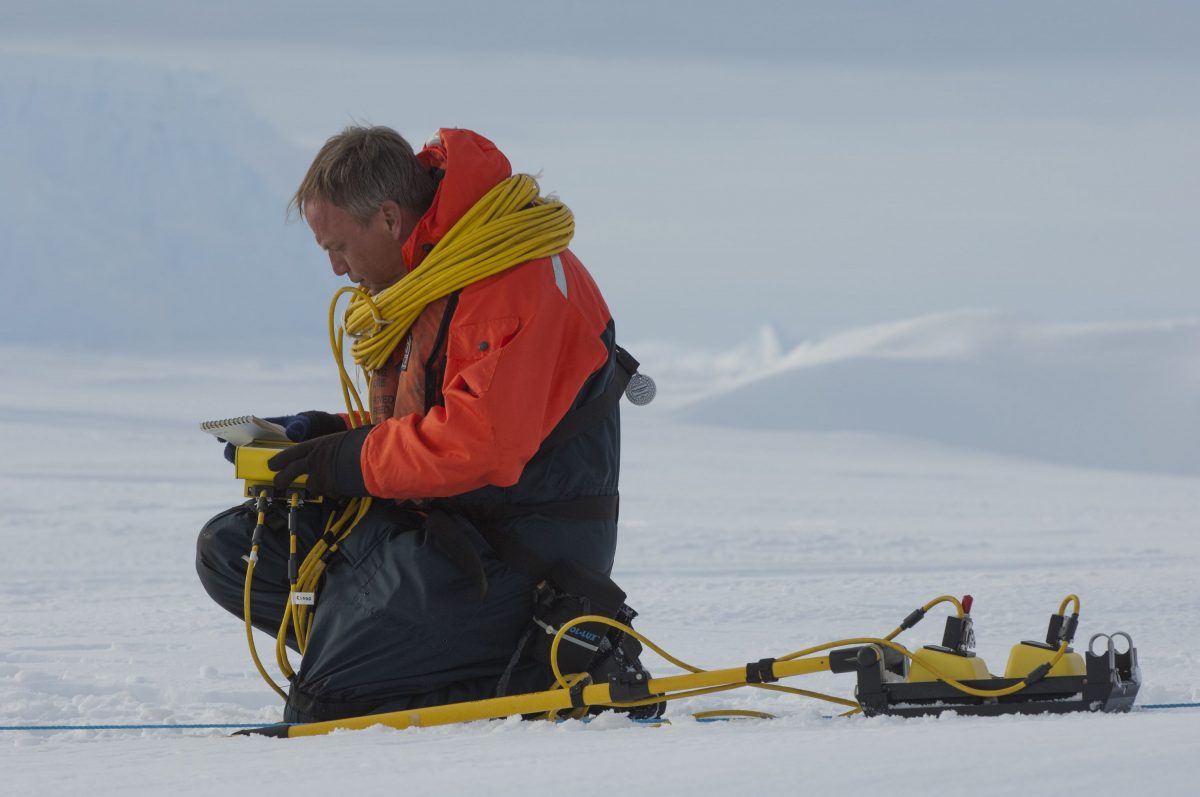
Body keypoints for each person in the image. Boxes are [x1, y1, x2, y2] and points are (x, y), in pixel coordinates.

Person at [195, 126, 636, 723]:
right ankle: (383, 649)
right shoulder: (440, 267)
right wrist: (326, 434)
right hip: (444, 525)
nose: (336, 269)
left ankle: (547, 664)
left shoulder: (511, 280)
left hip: (519, 553)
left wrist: (345, 460)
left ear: (388, 218)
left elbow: (480, 444)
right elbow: (437, 414)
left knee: (328, 706)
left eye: (339, 247)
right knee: (235, 552)